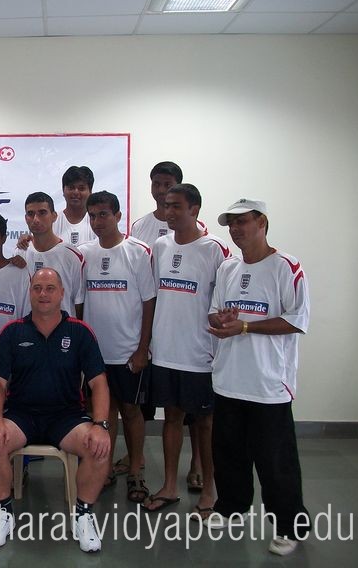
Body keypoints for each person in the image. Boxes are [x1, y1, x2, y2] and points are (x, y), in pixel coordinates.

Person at [207, 199, 310, 556]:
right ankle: (231, 508)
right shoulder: (228, 268)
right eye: (231, 223)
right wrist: (222, 321)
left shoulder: (286, 267)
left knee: (275, 461)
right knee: (228, 454)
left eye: (243, 222)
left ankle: (289, 526)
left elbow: (297, 319)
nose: (235, 229)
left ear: (262, 222)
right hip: (229, 379)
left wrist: (246, 326)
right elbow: (215, 313)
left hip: (268, 385)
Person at [0, 268, 111, 553]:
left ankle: (83, 515)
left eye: (50, 288)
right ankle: (3, 511)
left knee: (99, 447)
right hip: (21, 415)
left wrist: (101, 425)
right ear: (29, 292)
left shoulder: (80, 331)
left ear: (62, 293)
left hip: (66, 417)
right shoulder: (12, 332)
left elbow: (99, 383)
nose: (43, 294)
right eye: (37, 288)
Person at [118, 161, 206, 492]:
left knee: (193, 414)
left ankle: (197, 464)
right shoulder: (141, 227)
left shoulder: (201, 233)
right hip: (154, 335)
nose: (160, 191)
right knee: (143, 406)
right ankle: (136, 459)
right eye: (156, 184)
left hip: (190, 342)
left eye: (167, 185)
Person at [143, 184, 229, 521]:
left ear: (194, 209)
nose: (169, 212)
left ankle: (209, 491)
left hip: (200, 354)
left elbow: (223, 302)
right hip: (165, 351)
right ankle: (168, 486)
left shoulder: (214, 249)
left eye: (176, 206)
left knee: (204, 424)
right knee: (172, 419)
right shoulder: (161, 246)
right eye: (166, 206)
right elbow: (153, 296)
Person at [79, 191, 155, 503]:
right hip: (96, 354)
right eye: (92, 216)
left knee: (131, 411)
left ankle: (136, 470)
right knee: (103, 414)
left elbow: (149, 302)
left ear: (118, 216)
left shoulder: (138, 251)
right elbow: (80, 302)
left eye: (103, 214)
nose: (97, 221)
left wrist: (142, 349)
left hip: (128, 352)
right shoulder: (84, 254)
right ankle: (105, 468)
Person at [15, 192, 84, 317]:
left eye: (42, 213)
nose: (36, 219)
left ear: (54, 216)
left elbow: (79, 303)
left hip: (64, 327)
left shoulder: (72, 255)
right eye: (31, 214)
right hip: (28, 327)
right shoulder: (20, 252)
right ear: (25, 218)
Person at [16, 165, 97, 250]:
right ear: (63, 191)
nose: (76, 192)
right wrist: (25, 241)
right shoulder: (50, 220)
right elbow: (35, 246)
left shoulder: (99, 222)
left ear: (90, 192)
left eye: (81, 188)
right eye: (71, 188)